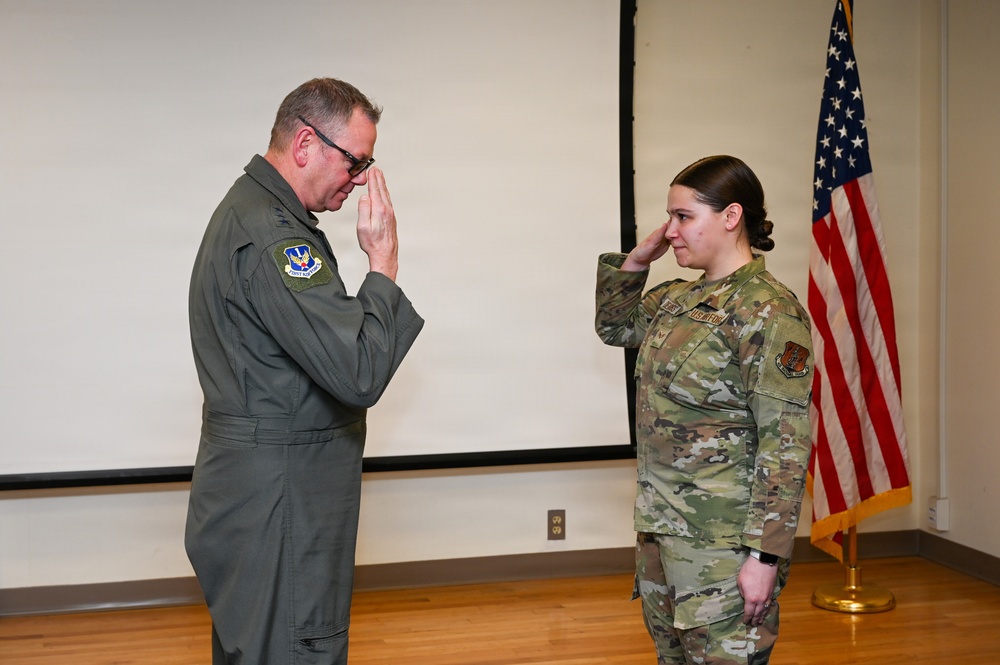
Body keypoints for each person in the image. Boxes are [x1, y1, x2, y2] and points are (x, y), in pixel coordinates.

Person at [185, 77, 424, 665]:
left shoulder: (251, 210)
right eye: (355, 161)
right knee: (294, 651)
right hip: (281, 502)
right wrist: (383, 264)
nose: (361, 177)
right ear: (305, 145)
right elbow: (359, 372)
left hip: (258, 495)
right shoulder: (275, 238)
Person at [594, 155, 813, 664]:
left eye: (683, 217)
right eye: (669, 217)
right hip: (662, 532)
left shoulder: (769, 311)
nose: (670, 231)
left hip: (723, 545)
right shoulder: (677, 299)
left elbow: (785, 443)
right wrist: (637, 260)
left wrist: (765, 556)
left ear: (731, 216)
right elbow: (615, 326)